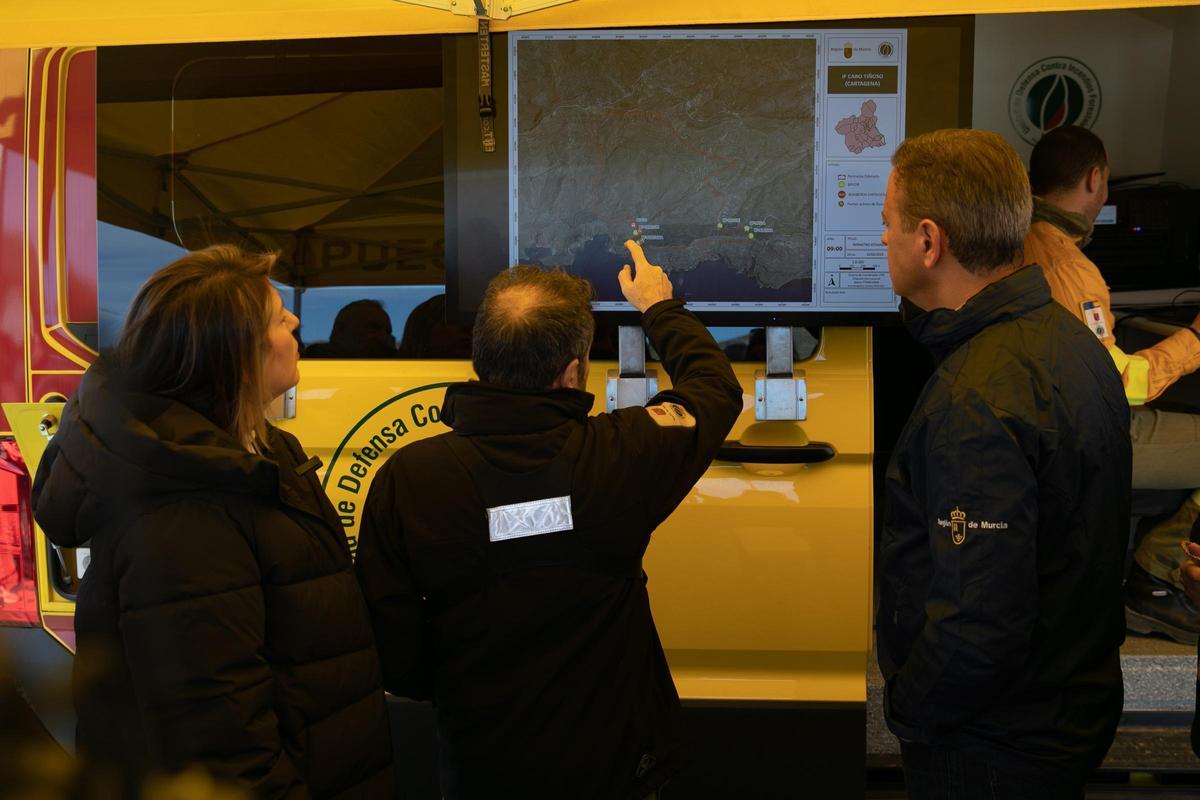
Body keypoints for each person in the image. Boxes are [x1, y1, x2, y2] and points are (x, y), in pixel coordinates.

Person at [354, 243, 742, 799]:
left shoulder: (410, 477)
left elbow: (391, 647)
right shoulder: (620, 455)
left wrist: (464, 687)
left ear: (481, 359)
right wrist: (660, 307)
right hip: (615, 767)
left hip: (480, 763)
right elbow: (714, 388)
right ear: (571, 373)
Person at [31, 246, 394, 798]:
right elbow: (220, 742)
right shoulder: (182, 515)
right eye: (278, 317)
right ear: (235, 354)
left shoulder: (260, 453)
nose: (297, 320)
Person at [876, 129, 1130, 799]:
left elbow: (976, 628)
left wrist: (909, 708)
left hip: (994, 747)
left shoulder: (977, 400)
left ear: (929, 242)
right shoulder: (1071, 343)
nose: (882, 241)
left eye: (888, 225)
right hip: (1063, 714)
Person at [1024, 125, 1200, 644]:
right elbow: (1124, 385)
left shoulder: (1022, 239)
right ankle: (1158, 576)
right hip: (1083, 435)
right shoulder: (1068, 267)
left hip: (1047, 424)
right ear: (1095, 179)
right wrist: (1194, 340)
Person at [304, 298, 397, 358]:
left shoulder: (393, 367)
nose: (383, 336)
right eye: (372, 328)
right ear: (340, 330)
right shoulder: (310, 365)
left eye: (387, 332)